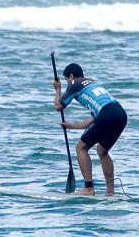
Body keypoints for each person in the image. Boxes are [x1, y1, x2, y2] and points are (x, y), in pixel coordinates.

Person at [53, 63, 127, 196]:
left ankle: (88, 188)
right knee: (102, 151)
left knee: (81, 148)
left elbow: (59, 106)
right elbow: (95, 120)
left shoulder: (75, 83)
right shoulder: (92, 83)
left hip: (107, 114)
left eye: (66, 80)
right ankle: (110, 191)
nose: (67, 84)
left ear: (71, 76)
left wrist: (57, 89)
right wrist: (72, 126)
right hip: (120, 114)